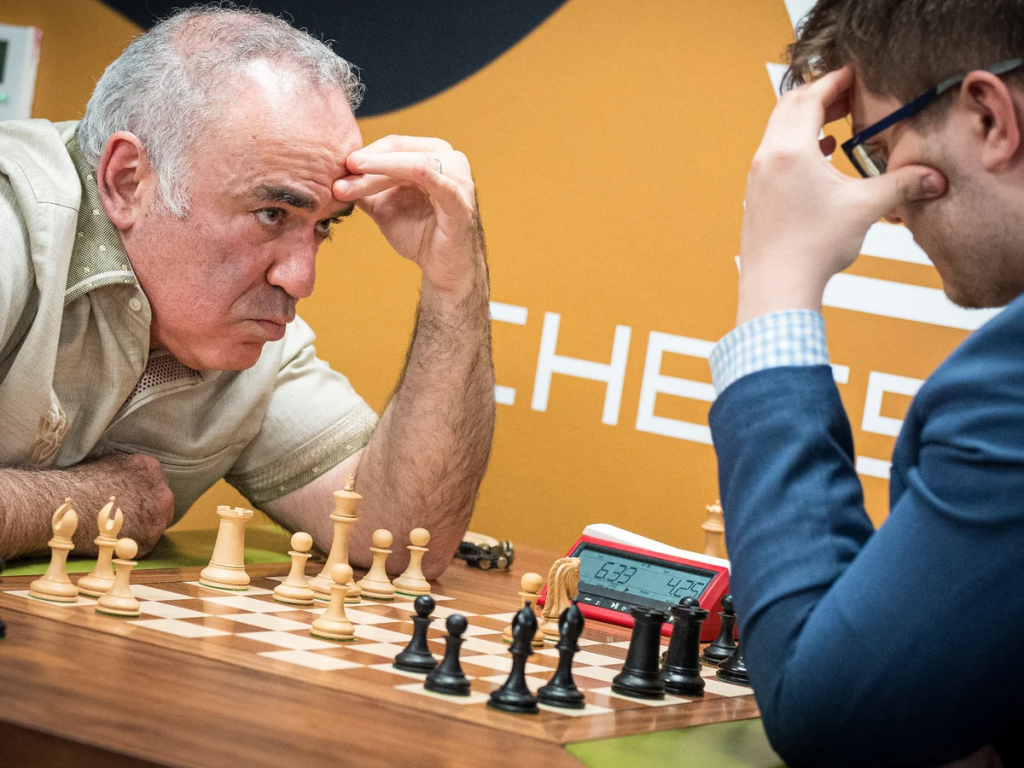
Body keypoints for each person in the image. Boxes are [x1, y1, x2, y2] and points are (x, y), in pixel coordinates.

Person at [0, 6, 495, 579]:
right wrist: (85, 507)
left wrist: (454, 287)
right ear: (128, 180)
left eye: (325, 225)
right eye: (270, 213)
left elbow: (405, 543)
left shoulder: (248, 341)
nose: (300, 280)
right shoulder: (13, 228)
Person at [707, 1, 1024, 765]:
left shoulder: (1004, 395)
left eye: (880, 153)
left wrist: (777, 284)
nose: (886, 212)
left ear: (989, 117)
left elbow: (834, 719)